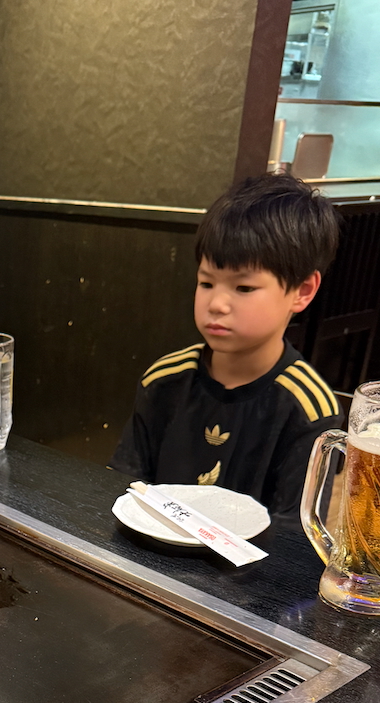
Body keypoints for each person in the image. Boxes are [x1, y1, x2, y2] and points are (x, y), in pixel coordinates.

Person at [109, 174, 342, 516]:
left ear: (302, 291)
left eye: (243, 288)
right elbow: (123, 486)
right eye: (206, 283)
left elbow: (295, 535)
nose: (216, 304)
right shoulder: (164, 379)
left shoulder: (308, 411)